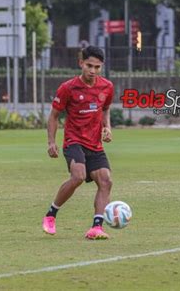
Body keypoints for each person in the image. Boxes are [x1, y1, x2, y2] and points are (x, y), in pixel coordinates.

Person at [42, 46, 114, 240]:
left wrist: (107, 127)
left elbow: (105, 109)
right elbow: (54, 116)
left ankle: (96, 228)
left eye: (97, 67)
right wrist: (51, 142)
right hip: (74, 141)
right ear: (81, 63)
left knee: (106, 181)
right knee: (78, 176)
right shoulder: (68, 88)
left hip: (95, 144)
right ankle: (51, 214)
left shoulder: (107, 86)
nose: (93, 71)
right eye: (89, 65)